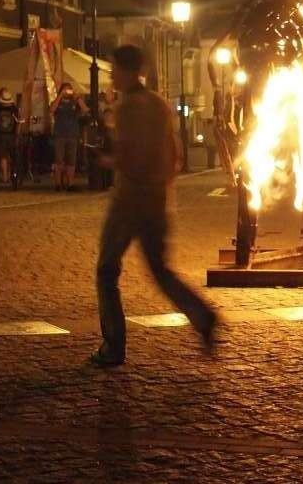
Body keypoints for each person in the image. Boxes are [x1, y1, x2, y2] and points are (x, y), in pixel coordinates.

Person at [91, 44, 216, 367]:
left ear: (129, 71)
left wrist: (107, 159)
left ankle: (113, 345)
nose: (111, 74)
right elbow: (175, 154)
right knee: (160, 271)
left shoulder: (128, 108)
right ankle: (202, 316)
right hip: (158, 198)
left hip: (129, 200)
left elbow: (131, 155)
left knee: (106, 270)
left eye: (114, 68)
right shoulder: (159, 104)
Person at [50, 82, 88, 191]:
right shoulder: (57, 101)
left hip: (72, 135)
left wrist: (78, 98)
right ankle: (58, 184)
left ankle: (70, 184)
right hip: (60, 135)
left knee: (71, 161)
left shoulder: (75, 102)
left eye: (69, 90)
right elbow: (52, 110)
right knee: (59, 160)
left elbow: (85, 110)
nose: (68, 92)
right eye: (66, 90)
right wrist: (60, 96)